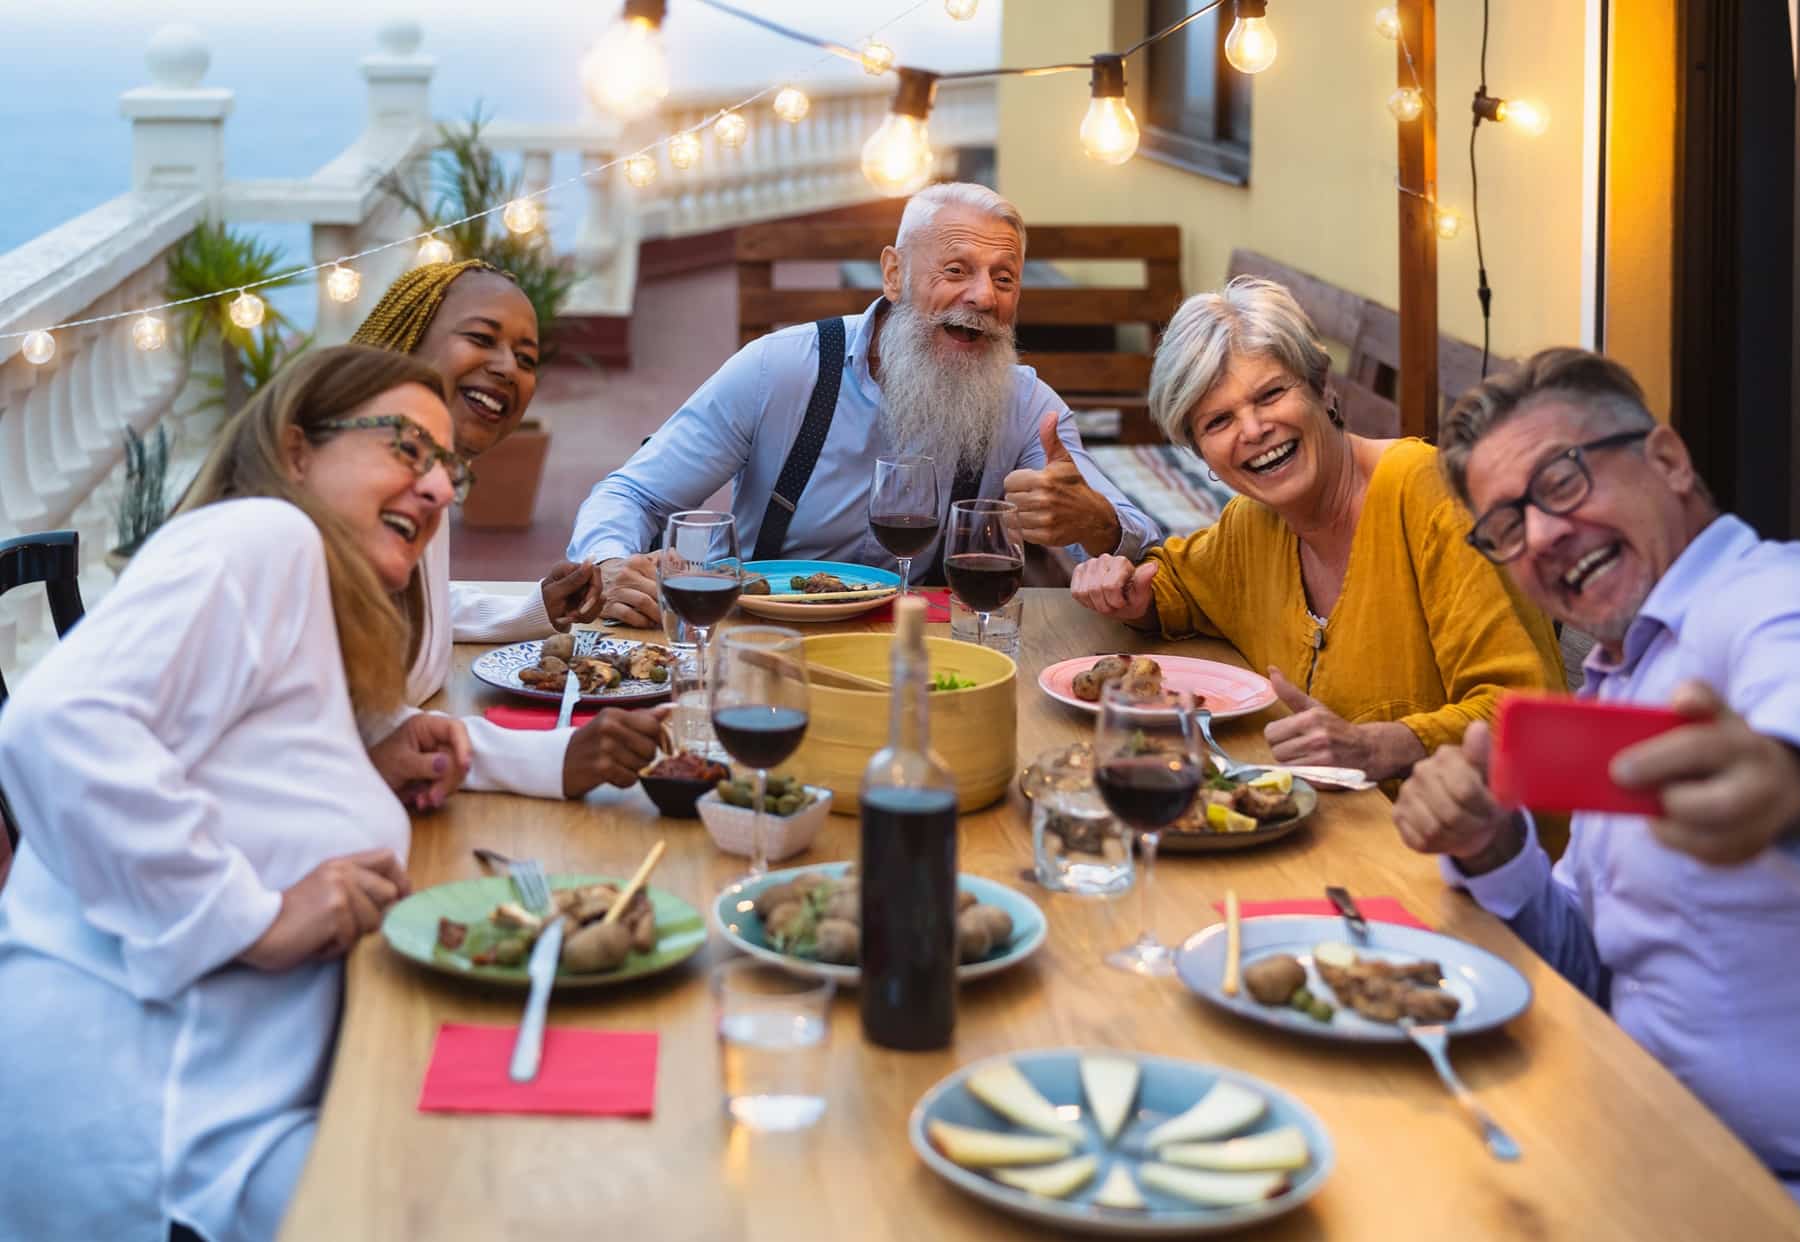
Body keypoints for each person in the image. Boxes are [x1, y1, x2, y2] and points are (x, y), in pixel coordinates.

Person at [1393, 348, 1800, 1241]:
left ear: (1669, 459)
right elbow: (1600, 967)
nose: (1545, 536)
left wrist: (1785, 776)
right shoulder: (1621, 678)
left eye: (1561, 481)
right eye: (1507, 527)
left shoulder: (1784, 602)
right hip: (1644, 1156)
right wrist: (1491, 846)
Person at [0, 346, 474, 1241]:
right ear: (297, 451)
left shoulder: (307, 603)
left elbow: (263, 776)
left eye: (449, 467)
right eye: (408, 447)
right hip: (158, 1138)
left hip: (226, 1118)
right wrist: (246, 918)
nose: (441, 488)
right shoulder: (263, 534)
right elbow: (56, 722)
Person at [570, 181, 1163, 626]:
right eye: (956, 269)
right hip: (766, 635)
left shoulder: (1027, 405)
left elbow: (1134, 532)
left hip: (923, 646)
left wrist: (1098, 522)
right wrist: (609, 564)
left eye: (1004, 278)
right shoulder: (779, 368)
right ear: (894, 274)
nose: (982, 296)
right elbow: (634, 493)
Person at [1071, 277, 1562, 785]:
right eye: (1218, 421)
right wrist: (1130, 593)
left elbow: (1529, 715)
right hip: (1333, 835)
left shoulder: (1429, 493)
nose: (1254, 429)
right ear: (1201, 454)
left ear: (1321, 387)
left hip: (1473, 851)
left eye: (1271, 394)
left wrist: (1382, 746)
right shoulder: (1253, 526)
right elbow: (1180, 585)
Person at [352, 262, 667, 797]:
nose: (507, 369)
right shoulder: (354, 490)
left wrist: (537, 609)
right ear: (407, 339)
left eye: (526, 359)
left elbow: (411, 609)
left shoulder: (422, 477)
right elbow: (354, 731)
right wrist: (552, 756)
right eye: (481, 338)